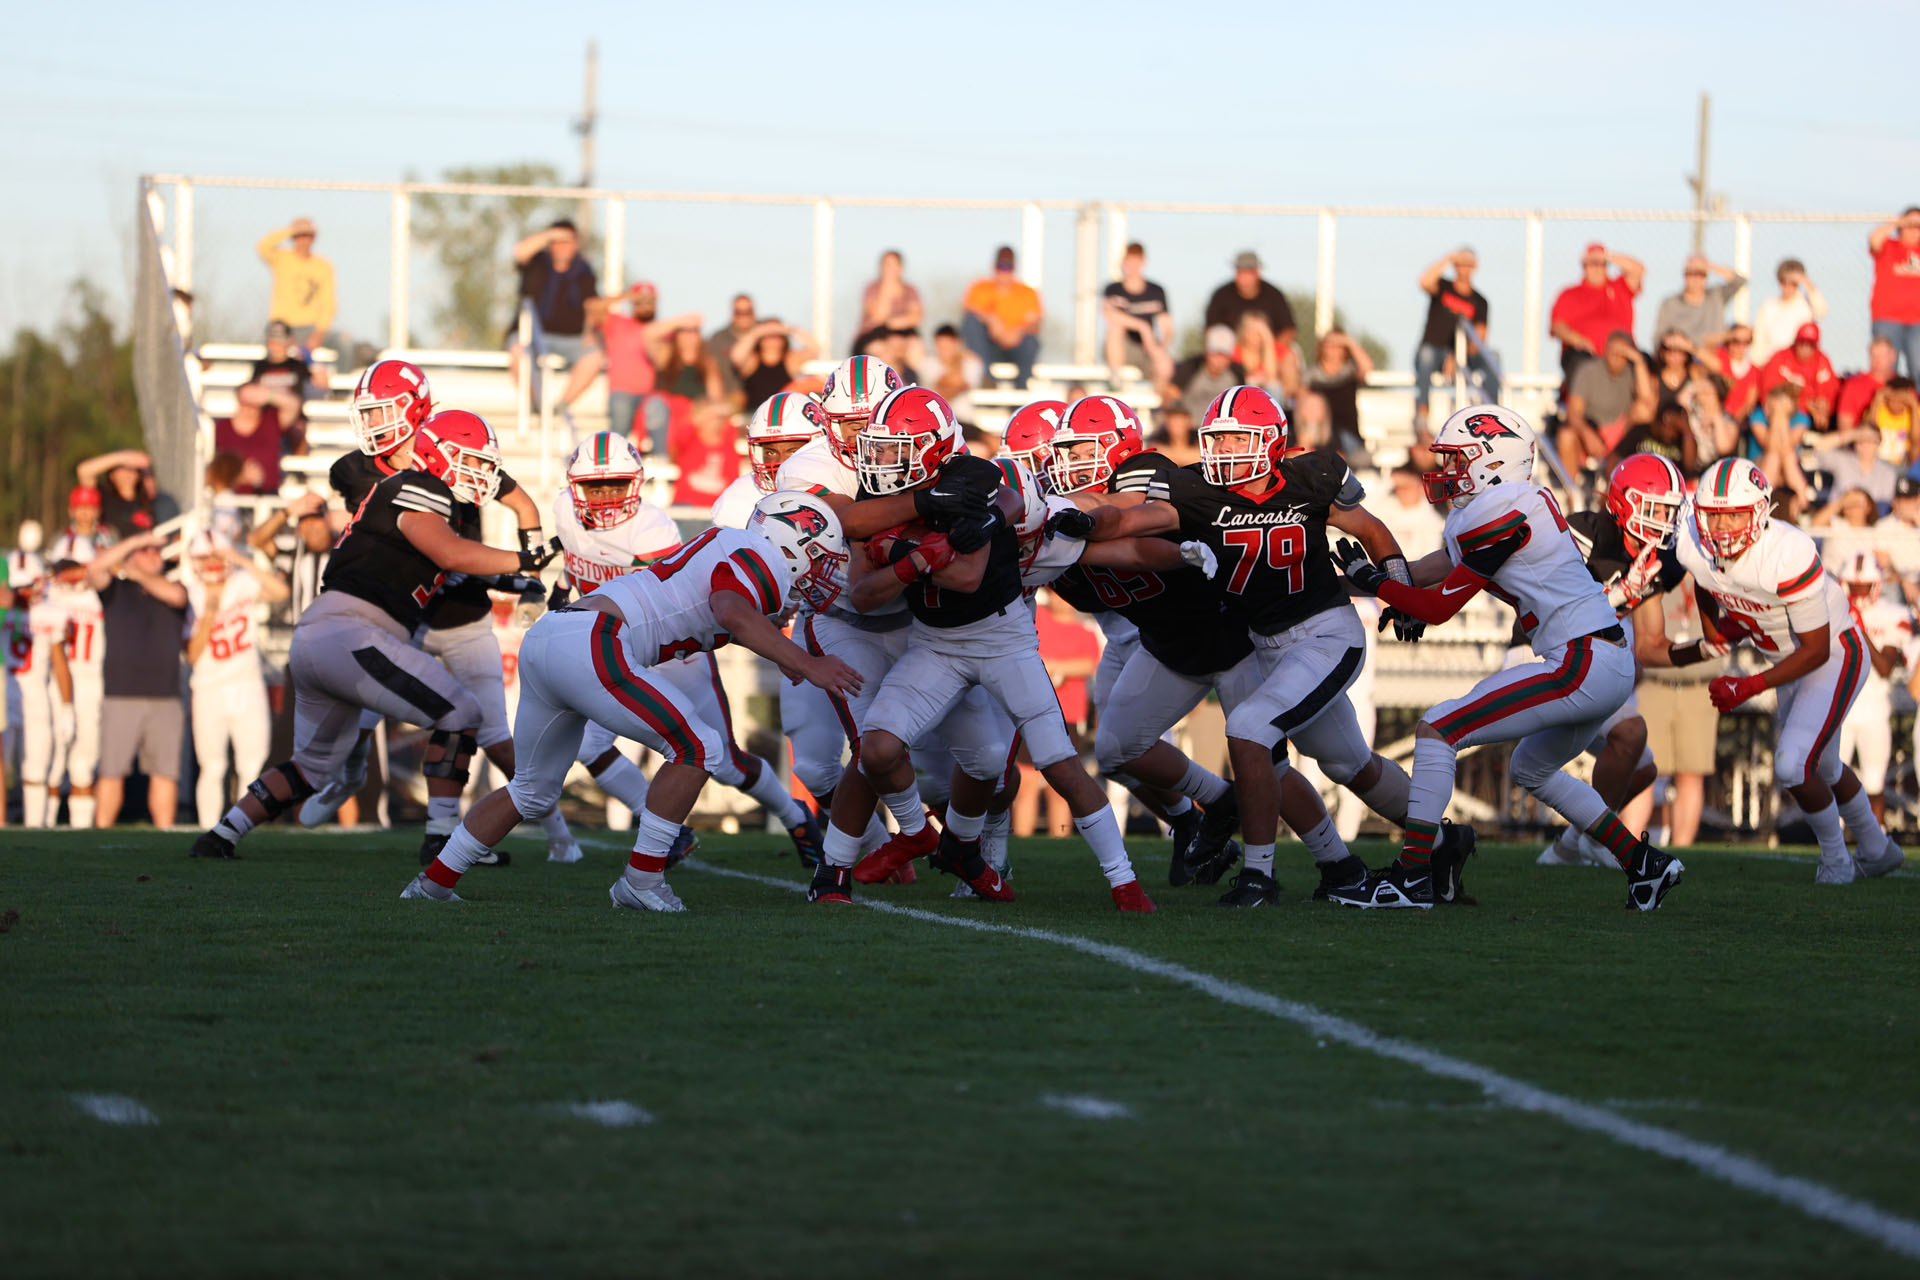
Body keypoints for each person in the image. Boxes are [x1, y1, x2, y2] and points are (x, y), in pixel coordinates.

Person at [401, 493, 860, 907]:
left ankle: (433, 884)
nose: (823, 569)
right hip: (595, 640)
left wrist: (778, 655)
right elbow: (731, 611)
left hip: (551, 638)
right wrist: (805, 662)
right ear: (795, 543)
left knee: (531, 789)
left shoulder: (730, 544)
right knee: (699, 748)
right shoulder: (760, 555)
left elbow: (704, 612)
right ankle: (641, 881)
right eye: (820, 556)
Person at [1095, 386, 1451, 907]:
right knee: (1349, 763)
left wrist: (1399, 588)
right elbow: (1129, 520)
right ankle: (1442, 841)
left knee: (1247, 728)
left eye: (1238, 438)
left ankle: (1258, 876)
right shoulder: (1196, 490)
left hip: (1326, 633)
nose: (1224, 451)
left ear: (1270, 440)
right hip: (1266, 646)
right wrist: (1086, 521)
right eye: (1217, 439)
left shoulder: (1312, 477)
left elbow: (1370, 528)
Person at [1331, 404, 1682, 910]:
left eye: (1458, 460)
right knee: (1530, 769)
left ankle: (1412, 877)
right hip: (1599, 656)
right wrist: (1350, 584)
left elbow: (1439, 607)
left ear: (1492, 463)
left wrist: (1377, 583)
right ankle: (1643, 864)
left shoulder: (1502, 510)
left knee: (1438, 728)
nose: (1448, 471)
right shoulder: (1508, 505)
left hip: (1581, 658)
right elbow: (1435, 570)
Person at [831, 387, 1155, 910]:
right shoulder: (881, 501)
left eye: (896, 448)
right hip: (934, 644)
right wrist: (916, 553)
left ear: (933, 448)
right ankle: (918, 834)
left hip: (1003, 638)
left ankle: (1124, 881)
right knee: (878, 747)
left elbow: (967, 573)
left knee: (1057, 763)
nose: (881, 460)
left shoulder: (973, 480)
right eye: (879, 448)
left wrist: (899, 550)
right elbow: (865, 594)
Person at [190, 411, 559, 862]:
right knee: (461, 711)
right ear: (439, 455)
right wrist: (524, 557)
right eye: (474, 461)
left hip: (322, 634)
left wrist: (518, 579)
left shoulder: (412, 498)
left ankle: (223, 834)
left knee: (311, 765)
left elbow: (447, 565)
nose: (482, 473)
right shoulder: (423, 487)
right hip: (356, 633)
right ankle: (443, 840)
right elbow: (450, 551)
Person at [1648, 457, 1902, 884]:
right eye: (1714, 515)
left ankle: (1837, 861)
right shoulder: (1692, 542)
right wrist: (1716, 632)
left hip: (1834, 654)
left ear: (1761, 512)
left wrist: (1749, 685)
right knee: (1823, 767)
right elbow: (1706, 583)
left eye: (1735, 514)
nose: (1724, 526)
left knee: (1791, 764)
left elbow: (1816, 649)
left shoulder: (1788, 552)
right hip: (1787, 661)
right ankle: (1878, 849)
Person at [1527, 453, 1687, 868]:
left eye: (1670, 512)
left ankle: (1569, 847)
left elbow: (1650, 644)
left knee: (1643, 769)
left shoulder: (1657, 562)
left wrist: (1705, 650)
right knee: (1630, 733)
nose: (1662, 523)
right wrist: (1617, 595)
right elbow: (1557, 610)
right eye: (1654, 510)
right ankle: (1600, 840)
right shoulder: (1584, 532)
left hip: (1586, 665)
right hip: (1540, 655)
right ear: (1622, 502)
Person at [182, 532, 288, 826]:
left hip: (247, 684)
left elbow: (280, 592)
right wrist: (209, 613)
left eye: (217, 556)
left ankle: (243, 829)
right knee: (212, 766)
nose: (213, 563)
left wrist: (240, 558)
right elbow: (192, 655)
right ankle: (208, 828)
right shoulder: (190, 593)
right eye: (206, 557)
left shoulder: (242, 582)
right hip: (208, 688)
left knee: (251, 765)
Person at [86, 532, 188, 827]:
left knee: (165, 773)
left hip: (165, 697)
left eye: (157, 550)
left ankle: (164, 832)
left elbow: (176, 597)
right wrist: (131, 543)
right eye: (146, 551)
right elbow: (93, 570)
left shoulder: (175, 586)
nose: (154, 554)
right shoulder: (116, 589)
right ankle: (101, 832)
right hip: (120, 695)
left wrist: (136, 570)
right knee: (111, 771)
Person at [570, 282, 702, 449]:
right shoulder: (617, 323)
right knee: (618, 438)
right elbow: (591, 307)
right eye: (641, 301)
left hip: (650, 395)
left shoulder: (663, 332)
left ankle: (660, 460)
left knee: (659, 412)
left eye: (650, 301)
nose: (645, 306)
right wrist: (627, 295)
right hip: (622, 392)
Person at [1833, 551, 1912, 824]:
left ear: (1876, 585)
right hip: (1840, 708)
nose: (1857, 592)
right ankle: (1835, 846)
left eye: (1863, 586)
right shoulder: (1833, 612)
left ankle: (1875, 842)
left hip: (1875, 709)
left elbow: (1885, 667)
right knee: (1834, 780)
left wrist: (1858, 627)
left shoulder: (1892, 614)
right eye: (1853, 586)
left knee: (1874, 783)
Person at [507, 220, 598, 393]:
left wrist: (590, 332)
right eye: (557, 242)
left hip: (571, 338)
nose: (562, 247)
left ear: (576, 245)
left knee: (594, 355)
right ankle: (537, 406)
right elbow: (520, 252)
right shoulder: (537, 262)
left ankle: (560, 408)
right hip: (531, 336)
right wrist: (551, 234)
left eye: (567, 241)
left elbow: (592, 305)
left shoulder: (584, 270)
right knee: (518, 351)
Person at [1413, 248, 1496, 434]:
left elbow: (1480, 339)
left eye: (1469, 265)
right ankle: (1422, 414)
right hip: (1434, 351)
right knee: (1426, 356)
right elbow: (1424, 281)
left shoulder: (1480, 301)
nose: (1464, 269)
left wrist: (1458, 356)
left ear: (1475, 268)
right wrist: (1449, 258)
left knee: (1493, 359)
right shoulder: (1443, 287)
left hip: (1462, 354)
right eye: (1461, 264)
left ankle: (1494, 414)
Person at [1558, 331, 1655, 478]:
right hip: (1591, 431)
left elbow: (1648, 404)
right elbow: (1573, 412)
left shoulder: (1633, 371)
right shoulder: (1588, 370)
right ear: (1605, 350)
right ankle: (1573, 495)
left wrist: (1638, 361)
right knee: (1566, 436)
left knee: (1644, 411)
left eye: (1622, 352)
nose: (1616, 356)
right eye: (1612, 351)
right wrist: (1588, 434)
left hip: (1622, 436)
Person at [1548, 243, 1644, 389]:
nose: (1597, 268)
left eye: (1602, 264)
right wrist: (1579, 340)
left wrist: (1607, 255)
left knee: (1644, 362)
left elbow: (1638, 270)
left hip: (1622, 352)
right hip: (1586, 354)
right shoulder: (1569, 294)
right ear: (1584, 266)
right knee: (1580, 363)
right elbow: (1558, 326)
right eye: (1592, 263)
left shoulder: (1620, 287)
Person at [961, 246, 1043, 389]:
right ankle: (986, 379)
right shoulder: (980, 288)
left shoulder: (1027, 293)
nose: (1004, 271)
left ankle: (1022, 387)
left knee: (1031, 342)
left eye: (1008, 266)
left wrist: (1017, 332)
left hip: (1016, 346)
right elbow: (971, 311)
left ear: (1014, 268)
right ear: (994, 266)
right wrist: (991, 320)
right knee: (971, 323)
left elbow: (1035, 323)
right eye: (1001, 265)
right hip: (989, 346)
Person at [255, 217, 335, 351]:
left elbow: (329, 303)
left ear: (313, 238)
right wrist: (290, 230)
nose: (303, 240)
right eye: (299, 236)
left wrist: (319, 333)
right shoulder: (281, 258)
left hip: (310, 327)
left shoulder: (324, 265)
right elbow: (263, 246)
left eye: (307, 236)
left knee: (343, 344)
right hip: (281, 325)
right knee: (275, 355)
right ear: (293, 238)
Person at [1102, 242, 1174, 385]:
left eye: (1136, 262)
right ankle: (1115, 382)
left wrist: (1159, 347)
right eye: (1129, 262)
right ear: (1123, 262)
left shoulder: (1156, 291)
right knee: (1116, 329)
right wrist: (1142, 327)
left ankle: (1161, 398)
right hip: (1122, 348)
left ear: (1143, 262)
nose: (1132, 267)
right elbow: (1110, 315)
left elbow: (1167, 328)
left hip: (1147, 349)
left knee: (1164, 362)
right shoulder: (1114, 289)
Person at [1204, 251, 1297, 360]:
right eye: (1240, 272)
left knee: (1290, 357)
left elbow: (1288, 330)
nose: (1243, 278)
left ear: (1257, 273)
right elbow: (1210, 330)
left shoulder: (1273, 295)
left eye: (1247, 272)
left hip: (1268, 353)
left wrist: (1269, 351)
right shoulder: (1222, 295)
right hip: (1232, 354)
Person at [1304, 327, 1374, 461]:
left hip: (1348, 435)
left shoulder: (1350, 371)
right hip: (1320, 435)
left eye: (1338, 345)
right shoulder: (1312, 375)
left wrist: (1349, 341)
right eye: (1329, 344)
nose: (1332, 349)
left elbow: (1367, 367)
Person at [214, 382, 299, 493]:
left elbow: (293, 405)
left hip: (268, 495)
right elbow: (216, 468)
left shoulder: (271, 420)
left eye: (254, 402)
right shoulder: (222, 428)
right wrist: (241, 477)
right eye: (246, 401)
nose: (250, 406)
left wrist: (268, 395)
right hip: (232, 497)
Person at [1652, 254, 1746, 349]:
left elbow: (1740, 281)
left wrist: (1709, 266)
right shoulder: (1670, 303)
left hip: (1712, 356)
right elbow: (1659, 337)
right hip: (1683, 357)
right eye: (1691, 274)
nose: (1696, 279)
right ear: (1685, 276)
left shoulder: (1716, 296)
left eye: (1700, 274)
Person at [1868, 207, 1920, 376]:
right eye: (1910, 225)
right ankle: (1884, 402)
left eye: (1918, 226)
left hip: (1918, 321)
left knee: (1918, 369)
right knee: (1885, 370)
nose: (1914, 230)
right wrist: (1899, 221)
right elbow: (1874, 239)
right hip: (1887, 318)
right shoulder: (1889, 246)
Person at [1750, 259, 1828, 366]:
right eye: (1783, 281)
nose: (1787, 286)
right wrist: (1757, 363)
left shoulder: (1806, 304)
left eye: (1793, 283)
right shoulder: (1769, 306)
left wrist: (1805, 280)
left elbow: (1821, 311)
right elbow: (1759, 339)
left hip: (1799, 363)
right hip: (1773, 363)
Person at [731, 318, 819, 412]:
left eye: (777, 335)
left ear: (783, 339)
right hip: (755, 414)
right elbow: (736, 357)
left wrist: (789, 329)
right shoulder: (753, 361)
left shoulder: (790, 360)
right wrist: (757, 332)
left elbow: (815, 348)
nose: (772, 338)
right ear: (761, 339)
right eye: (768, 335)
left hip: (783, 414)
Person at [75, 450, 165, 538]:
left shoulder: (147, 498)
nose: (127, 473)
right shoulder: (105, 496)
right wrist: (122, 457)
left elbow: (145, 461)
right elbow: (83, 471)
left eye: (131, 469)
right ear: (112, 475)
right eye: (121, 468)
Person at [1165, 326, 1246, 419]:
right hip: (1190, 429)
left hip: (1223, 430)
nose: (1219, 360)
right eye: (1215, 354)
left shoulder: (1237, 373)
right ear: (1207, 352)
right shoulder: (1190, 368)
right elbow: (1170, 398)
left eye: (1223, 355)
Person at [857, 250, 924, 353]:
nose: (890, 269)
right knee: (881, 350)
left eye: (894, 265)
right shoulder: (872, 289)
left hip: (903, 335)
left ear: (900, 268)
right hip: (873, 336)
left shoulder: (910, 290)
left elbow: (916, 317)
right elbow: (877, 316)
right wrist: (887, 289)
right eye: (887, 264)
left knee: (915, 348)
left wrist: (893, 324)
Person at [1816, 427, 1899, 509]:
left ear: (1879, 443)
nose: (1864, 445)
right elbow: (1819, 448)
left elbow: (1885, 506)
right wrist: (1853, 435)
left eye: (1870, 441)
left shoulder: (1888, 472)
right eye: (1860, 440)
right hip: (1839, 518)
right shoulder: (1843, 460)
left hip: (1873, 519)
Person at [1612, 401, 1702, 477]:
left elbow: (1690, 465)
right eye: (1670, 426)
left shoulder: (1683, 440)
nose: (1672, 433)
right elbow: (1614, 456)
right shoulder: (1641, 431)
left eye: (1677, 429)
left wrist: (1686, 429)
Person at [1837, 338, 1901, 431]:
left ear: (1893, 356)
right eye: (1873, 356)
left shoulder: (1903, 386)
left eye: (1882, 356)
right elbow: (1844, 428)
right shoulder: (1853, 385)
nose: (1877, 361)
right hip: (1864, 439)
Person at [923, 323, 984, 422]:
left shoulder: (971, 363)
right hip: (937, 420)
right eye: (941, 347)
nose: (944, 352)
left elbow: (961, 385)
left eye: (948, 347)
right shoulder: (928, 363)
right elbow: (952, 384)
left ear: (957, 344)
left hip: (964, 419)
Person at [706, 294, 758, 398]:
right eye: (738, 312)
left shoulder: (767, 336)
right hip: (729, 397)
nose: (743, 317)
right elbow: (711, 372)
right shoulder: (718, 339)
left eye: (748, 312)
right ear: (732, 313)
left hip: (763, 398)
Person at [250, 321, 315, 402]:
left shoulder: (298, 366)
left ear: (289, 342)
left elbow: (308, 394)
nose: (276, 347)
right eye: (272, 343)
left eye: (280, 343)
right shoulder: (260, 366)